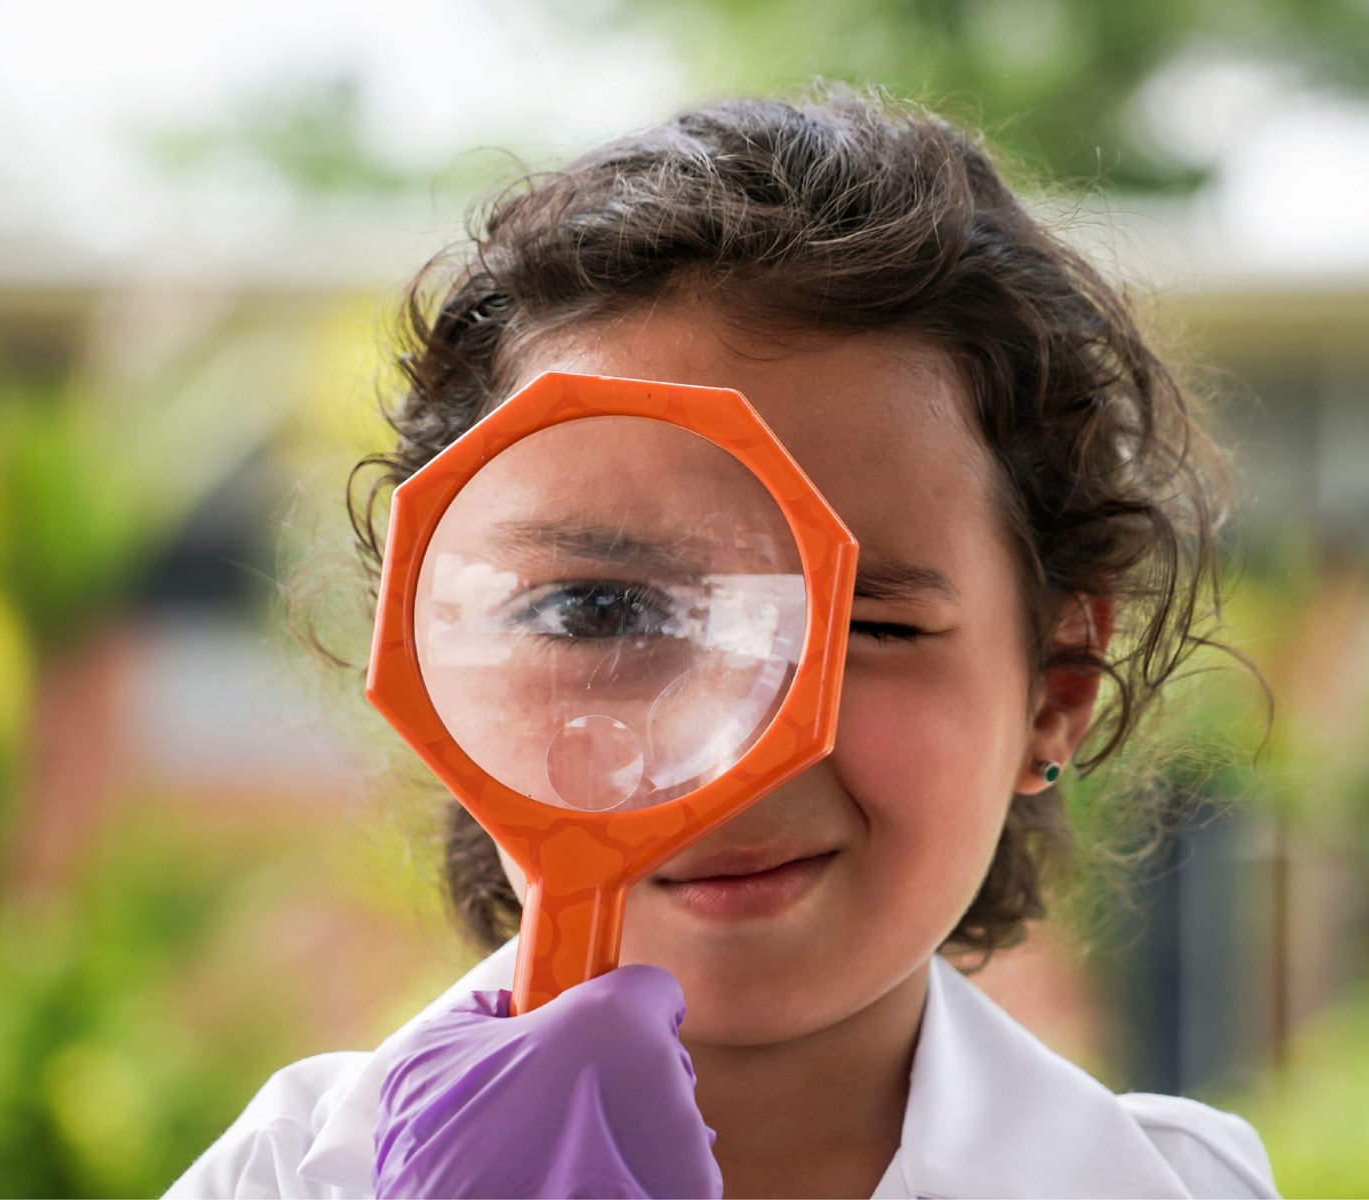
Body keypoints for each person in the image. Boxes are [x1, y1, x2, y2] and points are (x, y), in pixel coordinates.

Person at [167, 90, 1277, 1199]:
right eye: (595, 613)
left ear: (1056, 687)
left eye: (864, 624)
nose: (729, 754)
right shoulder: (282, 1178)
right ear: (438, 671)